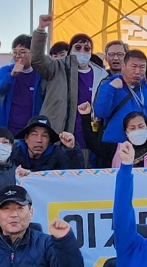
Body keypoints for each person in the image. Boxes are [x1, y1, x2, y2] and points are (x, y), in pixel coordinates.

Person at [31, 17, 108, 165]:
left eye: (87, 49)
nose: (82, 52)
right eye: (77, 48)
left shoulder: (102, 76)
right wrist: (41, 30)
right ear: (70, 50)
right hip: (58, 137)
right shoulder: (57, 68)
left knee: (85, 177)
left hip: (87, 141)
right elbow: (37, 60)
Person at [94, 50, 147, 164]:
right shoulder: (109, 85)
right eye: (133, 66)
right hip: (114, 147)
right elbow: (101, 113)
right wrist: (111, 89)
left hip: (143, 150)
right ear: (123, 66)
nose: (137, 71)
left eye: (142, 67)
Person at [0, 35, 46, 135]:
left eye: (22, 52)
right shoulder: (6, 70)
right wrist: (12, 75)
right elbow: (0, 89)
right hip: (7, 130)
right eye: (14, 52)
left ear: (33, 53)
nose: (17, 56)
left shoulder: (40, 74)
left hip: (31, 132)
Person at [12, 115, 83, 173]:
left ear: (49, 140)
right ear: (26, 138)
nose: (39, 140)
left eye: (44, 136)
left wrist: (71, 149)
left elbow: (76, 175)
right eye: (34, 134)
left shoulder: (58, 155)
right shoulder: (14, 153)